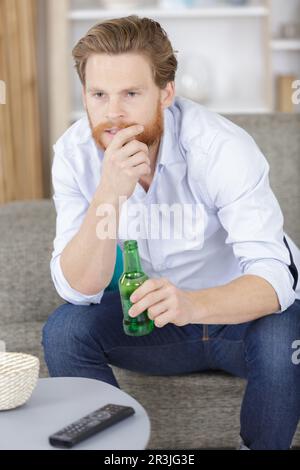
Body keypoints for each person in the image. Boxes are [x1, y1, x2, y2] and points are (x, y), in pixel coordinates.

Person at [42, 15, 300, 450]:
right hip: (155, 328)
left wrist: (191, 303)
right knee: (65, 330)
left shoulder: (221, 148)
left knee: (285, 331)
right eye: (98, 95)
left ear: (166, 93)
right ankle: (114, 452)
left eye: (131, 94)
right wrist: (109, 193)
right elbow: (78, 290)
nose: (113, 114)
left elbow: (277, 279)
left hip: (236, 321)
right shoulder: (73, 155)